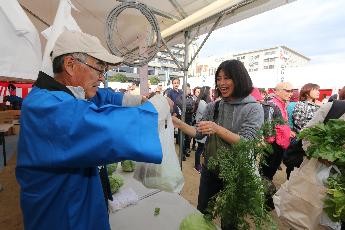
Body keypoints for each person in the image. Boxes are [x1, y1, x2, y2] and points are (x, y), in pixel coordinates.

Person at [16, 31, 164, 230]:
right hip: (63, 218)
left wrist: (135, 100)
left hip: (77, 208)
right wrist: (158, 110)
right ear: (70, 65)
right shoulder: (45, 108)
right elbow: (107, 129)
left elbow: (100, 96)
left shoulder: (62, 94)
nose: (102, 78)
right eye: (98, 68)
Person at [173, 60, 264, 229]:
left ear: (240, 79)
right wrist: (178, 124)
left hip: (235, 174)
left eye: (227, 78)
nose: (221, 83)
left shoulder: (254, 109)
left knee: (229, 221)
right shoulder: (213, 106)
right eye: (219, 78)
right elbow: (198, 132)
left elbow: (247, 142)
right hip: (211, 169)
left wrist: (217, 128)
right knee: (203, 211)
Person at [260, 82, 295, 181]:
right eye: (287, 90)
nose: (291, 93)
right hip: (272, 145)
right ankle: (264, 190)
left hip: (280, 144)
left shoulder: (283, 104)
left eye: (292, 91)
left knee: (272, 169)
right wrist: (270, 144)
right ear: (277, 91)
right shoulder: (271, 105)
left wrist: (289, 132)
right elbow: (267, 126)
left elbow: (282, 123)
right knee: (267, 170)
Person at [193, 86, 211, 172]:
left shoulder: (202, 102)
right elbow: (208, 114)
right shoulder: (203, 103)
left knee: (201, 148)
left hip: (202, 128)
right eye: (210, 92)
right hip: (201, 129)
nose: (211, 94)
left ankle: (198, 164)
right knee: (200, 149)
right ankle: (197, 165)